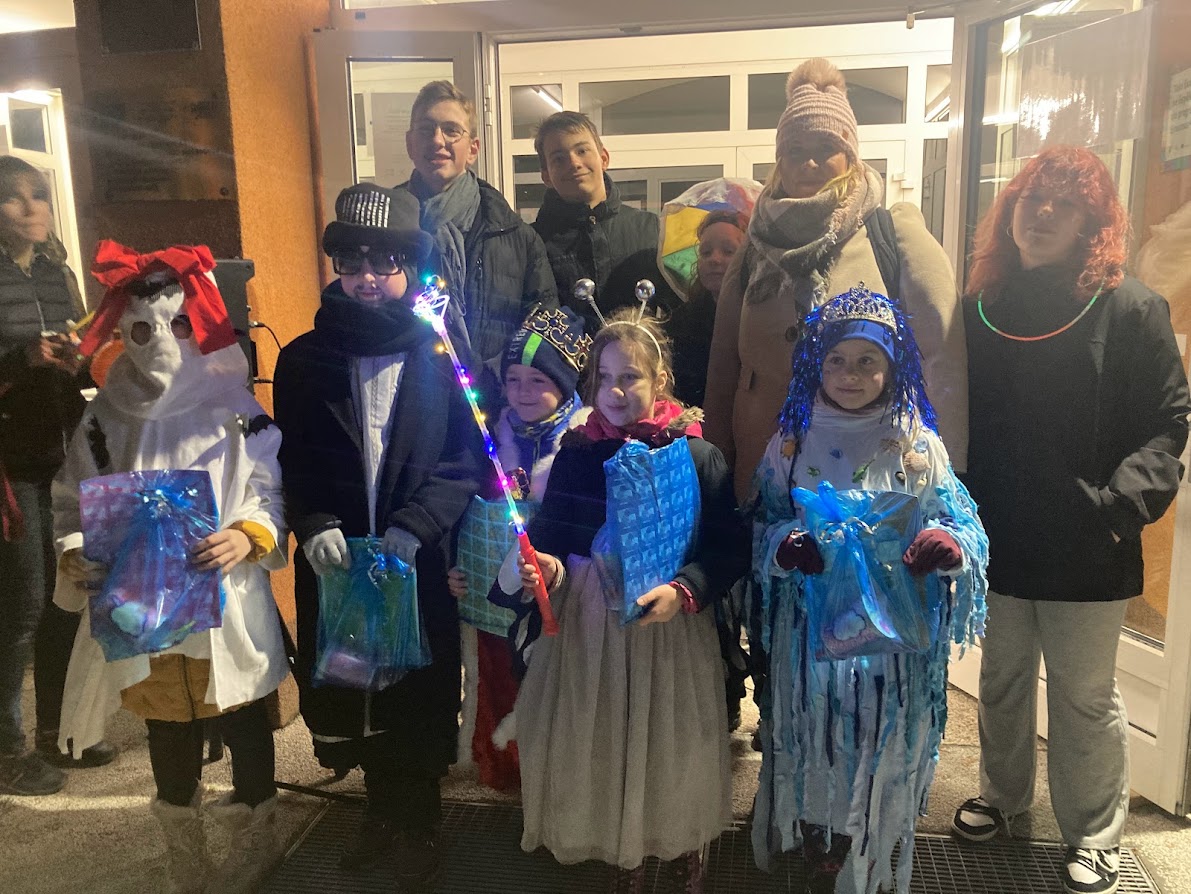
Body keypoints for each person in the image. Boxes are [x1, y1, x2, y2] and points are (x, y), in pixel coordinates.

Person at [953, 145, 1190, 894]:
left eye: (1065, 202)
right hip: (997, 535)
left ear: (1092, 221)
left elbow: (1167, 420)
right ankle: (1002, 799)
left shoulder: (1130, 308)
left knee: (1084, 695)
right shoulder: (980, 308)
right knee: (1001, 678)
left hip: (1088, 541)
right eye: (1032, 198)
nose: (1044, 213)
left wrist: (1119, 511)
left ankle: (1093, 832)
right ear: (1010, 213)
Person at [51, 242, 289, 894]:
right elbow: (73, 496)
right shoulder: (104, 417)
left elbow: (268, 487)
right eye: (143, 330)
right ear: (123, 330)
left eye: (179, 325)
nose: (162, 342)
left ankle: (258, 836)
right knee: (167, 722)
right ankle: (185, 849)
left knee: (243, 714)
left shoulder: (235, 408)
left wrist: (248, 534)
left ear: (200, 322)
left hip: (226, 595)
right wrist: (76, 547)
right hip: (143, 604)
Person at [274, 183, 480, 887]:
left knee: (415, 695)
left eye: (385, 262)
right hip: (337, 561)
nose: (368, 276)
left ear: (408, 268)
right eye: (354, 261)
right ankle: (379, 811)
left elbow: (466, 455)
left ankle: (418, 819)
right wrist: (310, 522)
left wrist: (418, 523)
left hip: (414, 556)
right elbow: (289, 457)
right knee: (354, 687)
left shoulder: (441, 352)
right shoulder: (304, 358)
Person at [750, 284, 987, 894]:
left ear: (893, 367)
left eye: (867, 361)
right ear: (816, 364)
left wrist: (946, 543)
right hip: (811, 627)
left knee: (875, 735)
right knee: (818, 732)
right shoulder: (792, 442)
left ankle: (870, 839)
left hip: (892, 633)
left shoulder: (915, 443)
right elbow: (764, 517)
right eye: (835, 360)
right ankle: (819, 837)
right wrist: (784, 544)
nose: (850, 375)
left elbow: (958, 518)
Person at [511, 308, 747, 893]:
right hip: (592, 622)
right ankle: (628, 846)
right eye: (605, 378)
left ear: (660, 380)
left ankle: (682, 838)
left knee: (670, 735)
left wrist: (685, 588)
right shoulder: (577, 454)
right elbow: (554, 534)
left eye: (631, 377)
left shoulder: (696, 456)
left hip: (669, 624)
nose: (616, 392)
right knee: (609, 734)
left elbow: (727, 546)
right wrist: (546, 565)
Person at [703, 58, 967, 504]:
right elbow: (724, 359)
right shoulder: (755, 244)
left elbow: (941, 354)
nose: (808, 162)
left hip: (865, 470)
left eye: (825, 147)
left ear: (850, 155)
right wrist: (717, 460)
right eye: (794, 150)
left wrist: (946, 470)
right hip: (763, 464)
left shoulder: (892, 233)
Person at [0, 156, 116, 797]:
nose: (31, 208)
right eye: (14, 198)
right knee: (20, 606)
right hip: (9, 464)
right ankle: (6, 749)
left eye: (38, 195)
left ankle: (57, 731)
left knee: (64, 595)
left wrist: (78, 360)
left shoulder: (57, 272)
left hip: (61, 453)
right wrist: (22, 358)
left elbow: (80, 361)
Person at [447, 304, 591, 792]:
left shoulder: (584, 442)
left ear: (564, 385)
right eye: (513, 380)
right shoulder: (488, 435)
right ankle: (504, 771)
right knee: (496, 678)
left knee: (554, 686)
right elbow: (462, 507)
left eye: (538, 381)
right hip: (492, 597)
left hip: (560, 596)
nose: (523, 392)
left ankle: (558, 781)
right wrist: (454, 564)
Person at [396, 79, 556, 408]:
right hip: (406, 405)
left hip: (495, 407)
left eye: (451, 130)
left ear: (473, 148)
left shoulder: (516, 236)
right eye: (426, 130)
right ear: (410, 144)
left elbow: (540, 330)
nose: (437, 140)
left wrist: (505, 386)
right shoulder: (386, 229)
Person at [532, 110, 679, 332]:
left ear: (604, 158)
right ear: (546, 175)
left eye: (582, 151)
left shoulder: (652, 230)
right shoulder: (533, 243)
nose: (574, 163)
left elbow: (678, 312)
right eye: (559, 159)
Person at [669, 209, 749, 410]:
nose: (714, 259)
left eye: (728, 251)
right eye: (706, 252)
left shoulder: (761, 319)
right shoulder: (679, 322)